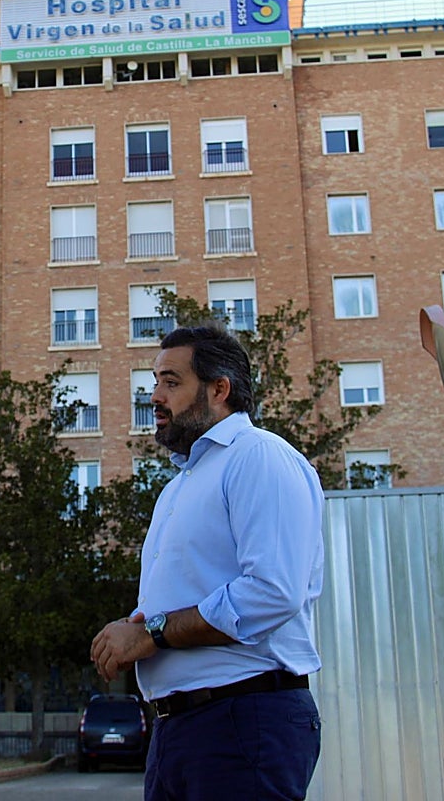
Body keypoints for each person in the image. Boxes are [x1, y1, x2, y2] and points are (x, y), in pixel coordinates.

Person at [91, 325, 324, 801]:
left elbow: (272, 593)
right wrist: (140, 626)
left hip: (242, 719)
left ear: (220, 389)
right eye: (154, 382)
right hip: (182, 730)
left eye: (171, 382)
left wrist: (152, 632)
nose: (155, 397)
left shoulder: (258, 456)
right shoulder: (179, 486)